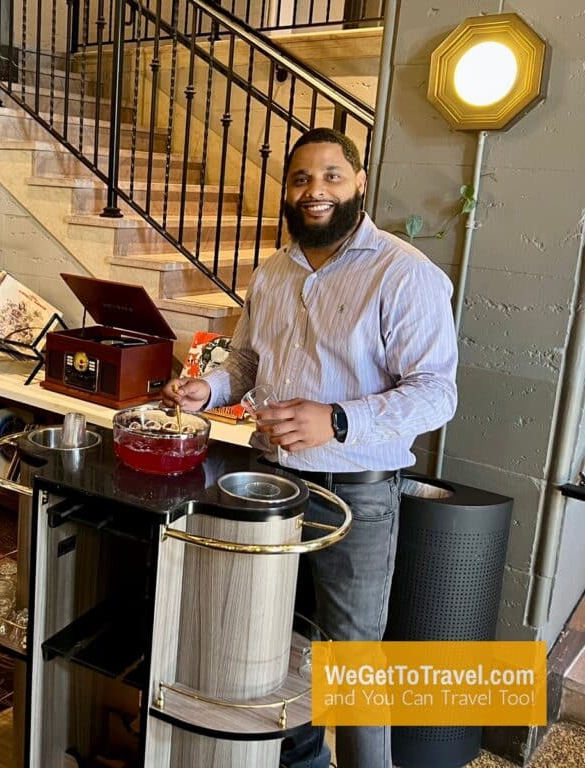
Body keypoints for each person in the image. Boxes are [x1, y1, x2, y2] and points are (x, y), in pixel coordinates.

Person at [162, 127, 458, 768]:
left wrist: (338, 421)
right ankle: (299, 761)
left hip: (357, 491)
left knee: (350, 654)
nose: (314, 190)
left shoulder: (406, 275)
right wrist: (204, 389)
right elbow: (244, 362)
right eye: (300, 178)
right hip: (270, 481)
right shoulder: (272, 272)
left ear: (357, 183)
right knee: (273, 638)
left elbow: (437, 395)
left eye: (330, 175)